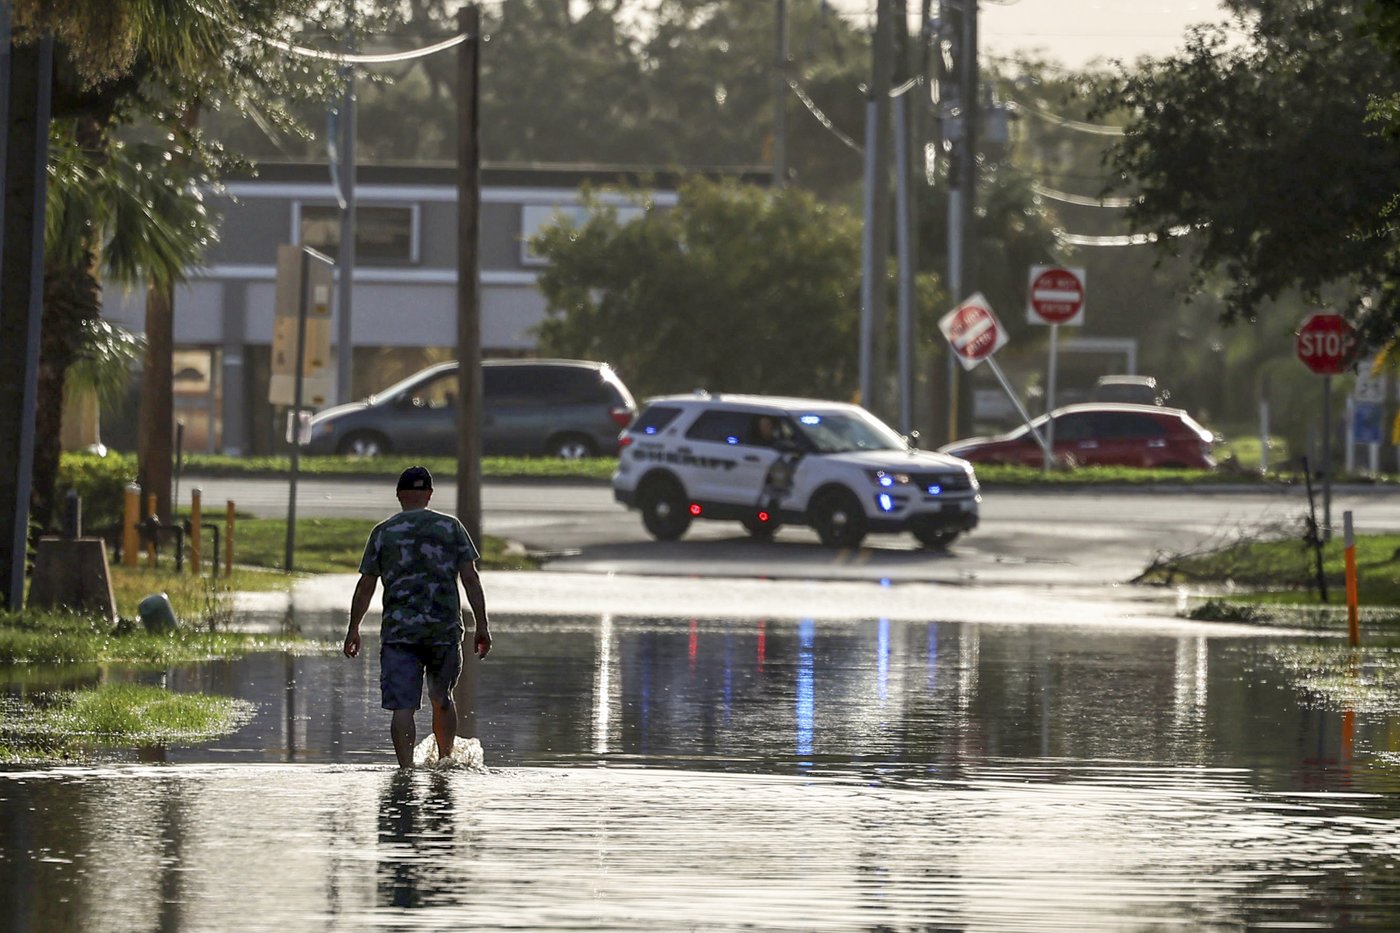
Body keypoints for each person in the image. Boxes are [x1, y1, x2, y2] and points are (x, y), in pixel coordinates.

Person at [343, 465, 492, 768]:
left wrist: (353, 628)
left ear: (399, 495)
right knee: (442, 697)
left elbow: (366, 585)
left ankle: (405, 770)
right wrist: (482, 626)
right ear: (429, 494)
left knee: (403, 707)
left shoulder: (383, 532)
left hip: (399, 634)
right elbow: (471, 579)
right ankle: (446, 762)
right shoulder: (451, 528)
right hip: (443, 631)